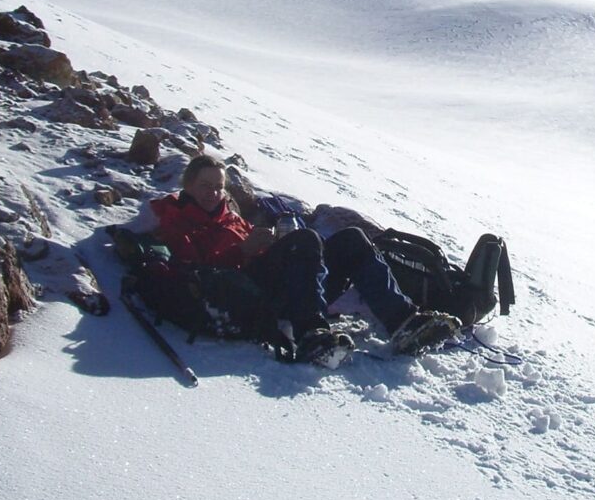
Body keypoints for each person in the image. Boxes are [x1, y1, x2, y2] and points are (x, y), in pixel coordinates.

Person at [137, 154, 459, 365]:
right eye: (205, 186)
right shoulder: (177, 220)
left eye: (218, 187)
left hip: (287, 289)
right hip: (245, 299)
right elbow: (194, 271)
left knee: (351, 240)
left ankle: (402, 321)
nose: (212, 193)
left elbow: (262, 250)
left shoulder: (230, 218)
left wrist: (271, 243)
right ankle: (311, 335)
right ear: (188, 185)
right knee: (306, 240)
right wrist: (244, 251)